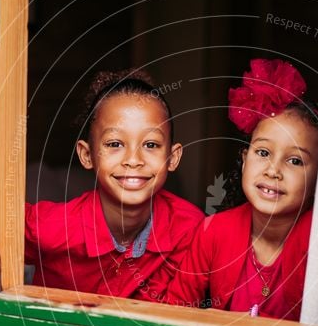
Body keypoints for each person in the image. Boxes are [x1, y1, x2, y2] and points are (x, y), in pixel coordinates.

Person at [24, 69, 203, 302]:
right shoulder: (48, 227)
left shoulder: (192, 231)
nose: (133, 160)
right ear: (87, 155)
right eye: (115, 143)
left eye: (150, 144)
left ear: (173, 157)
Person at [166, 59, 318, 321]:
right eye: (263, 152)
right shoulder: (213, 232)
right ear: (244, 158)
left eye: (295, 160)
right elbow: (175, 313)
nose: (273, 170)